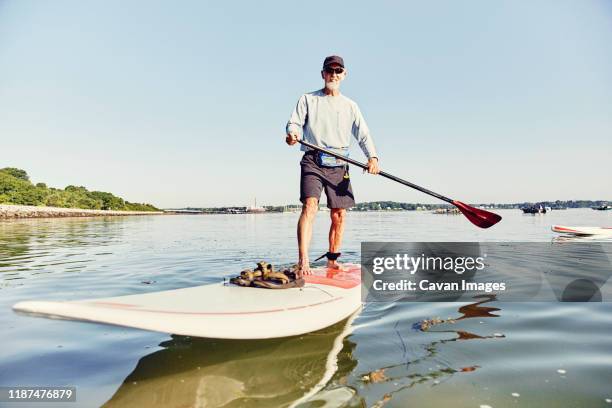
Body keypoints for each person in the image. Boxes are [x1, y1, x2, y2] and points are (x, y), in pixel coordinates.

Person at [285, 55, 380, 277]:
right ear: (322, 74)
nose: (333, 75)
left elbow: (363, 135)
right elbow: (294, 123)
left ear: (344, 75)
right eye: (330, 71)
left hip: (339, 163)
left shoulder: (351, 106)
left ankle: (332, 260)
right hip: (313, 159)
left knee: (339, 214)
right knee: (310, 206)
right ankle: (303, 260)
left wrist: (373, 158)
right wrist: (292, 134)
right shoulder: (308, 99)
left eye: (338, 71)